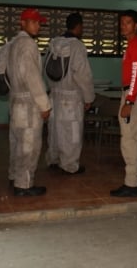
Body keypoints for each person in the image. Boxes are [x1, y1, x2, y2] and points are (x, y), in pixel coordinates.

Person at [6, 8, 52, 197]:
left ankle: (14, 175)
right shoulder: (28, 45)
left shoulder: (12, 44)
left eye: (39, 22)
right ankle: (24, 184)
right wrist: (44, 104)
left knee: (17, 143)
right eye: (33, 22)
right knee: (29, 146)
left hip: (16, 100)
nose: (37, 25)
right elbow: (32, 77)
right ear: (22, 23)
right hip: (29, 102)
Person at [46, 12, 95, 174]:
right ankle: (69, 165)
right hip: (71, 97)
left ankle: (53, 159)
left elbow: (45, 68)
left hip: (54, 95)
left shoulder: (53, 43)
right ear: (79, 26)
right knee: (72, 132)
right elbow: (83, 74)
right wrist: (89, 97)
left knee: (54, 130)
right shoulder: (77, 46)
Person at [110, 9, 137, 197]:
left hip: (134, 94)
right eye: (122, 22)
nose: (123, 26)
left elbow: (135, 75)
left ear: (136, 25)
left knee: (130, 141)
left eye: (128, 22)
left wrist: (129, 101)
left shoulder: (135, 45)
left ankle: (131, 184)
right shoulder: (136, 45)